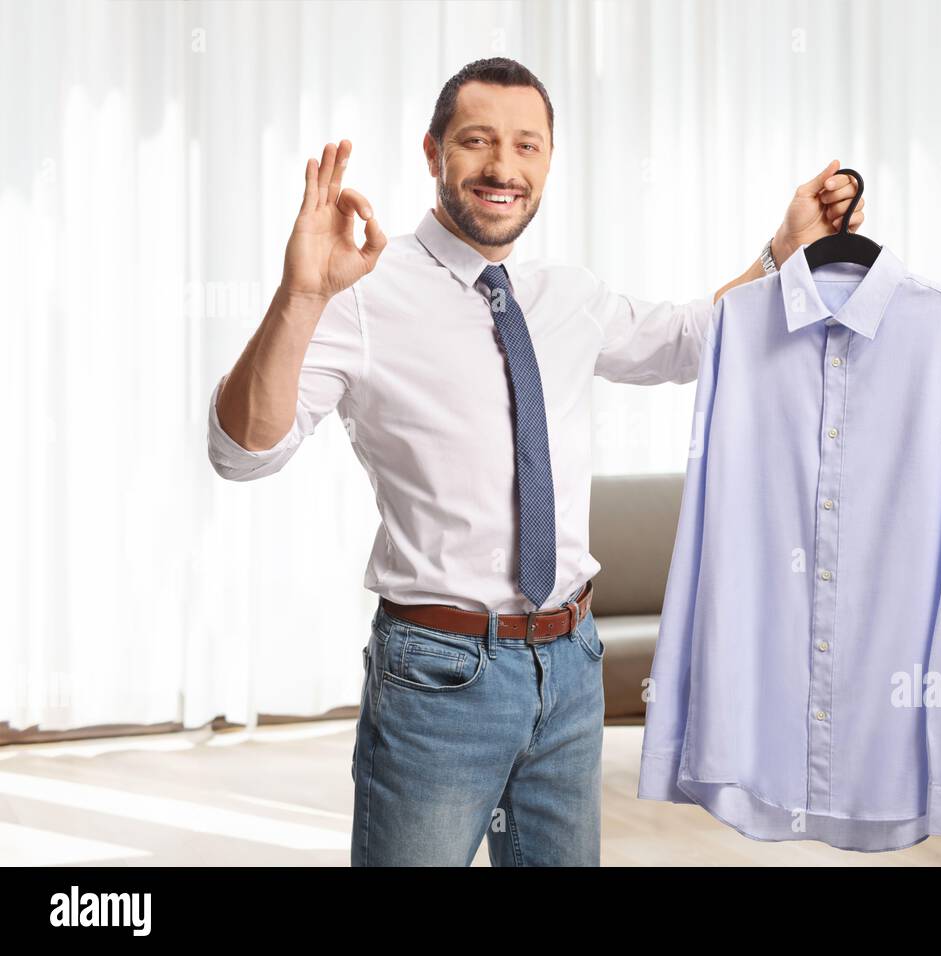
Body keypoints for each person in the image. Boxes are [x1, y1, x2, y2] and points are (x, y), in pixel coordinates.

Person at [208, 57, 865, 867]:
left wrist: (783, 250)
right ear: (433, 151)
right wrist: (302, 295)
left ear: (549, 161)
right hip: (439, 677)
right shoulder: (362, 294)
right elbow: (244, 451)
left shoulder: (567, 293)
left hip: (571, 663)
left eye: (527, 146)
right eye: (477, 142)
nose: (502, 167)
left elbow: (694, 339)